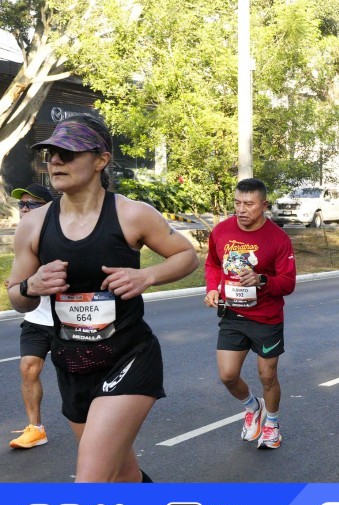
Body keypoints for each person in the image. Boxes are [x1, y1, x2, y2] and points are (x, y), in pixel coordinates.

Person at [7, 114, 199, 481]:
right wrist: (32, 286)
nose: (55, 161)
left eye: (68, 153)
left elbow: (186, 255)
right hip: (72, 363)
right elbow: (18, 298)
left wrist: (147, 276)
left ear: (101, 160)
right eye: (51, 154)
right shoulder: (34, 224)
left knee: (91, 483)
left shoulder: (131, 214)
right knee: (123, 476)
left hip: (128, 357)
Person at [204, 178, 296, 449]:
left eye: (248, 204)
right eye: (237, 203)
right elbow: (213, 264)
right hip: (233, 314)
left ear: (264, 205)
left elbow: (288, 283)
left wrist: (261, 280)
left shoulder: (278, 239)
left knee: (267, 376)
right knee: (228, 375)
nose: (241, 210)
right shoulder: (221, 231)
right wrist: (212, 288)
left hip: (266, 318)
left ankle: (272, 424)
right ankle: (253, 407)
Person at [8, 184, 54, 449]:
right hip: (36, 318)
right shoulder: (23, 236)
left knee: (78, 378)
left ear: (48, 207)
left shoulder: (61, 234)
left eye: (31, 204)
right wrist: (18, 285)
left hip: (67, 320)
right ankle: (36, 429)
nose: (24, 209)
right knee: (28, 367)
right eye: (21, 204)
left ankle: (96, 426)